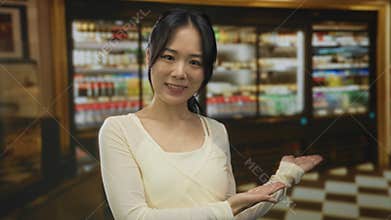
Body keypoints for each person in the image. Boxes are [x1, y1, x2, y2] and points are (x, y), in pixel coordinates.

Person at [98, 8, 323, 220]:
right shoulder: (119, 130)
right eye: (169, 57)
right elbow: (134, 217)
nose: (180, 72)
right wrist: (228, 208)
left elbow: (232, 214)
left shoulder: (215, 131)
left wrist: (284, 176)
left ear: (206, 71)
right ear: (149, 57)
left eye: (194, 62)